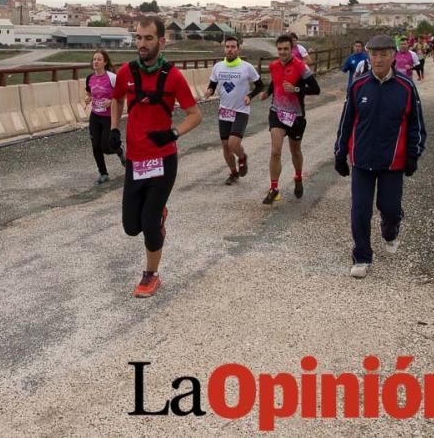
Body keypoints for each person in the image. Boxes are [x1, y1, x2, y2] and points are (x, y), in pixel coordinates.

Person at [109, 17, 202, 298]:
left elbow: (196, 115)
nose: (142, 44)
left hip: (163, 160)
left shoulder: (172, 76)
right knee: (130, 227)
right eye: (138, 38)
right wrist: (114, 128)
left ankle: (151, 275)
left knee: (148, 224)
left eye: (148, 38)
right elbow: (117, 99)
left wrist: (173, 134)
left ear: (162, 41)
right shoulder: (126, 72)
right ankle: (158, 215)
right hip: (136, 161)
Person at [333, 35, 426, 279]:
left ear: (394, 56)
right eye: (374, 54)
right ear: (368, 56)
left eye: (384, 54)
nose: (379, 59)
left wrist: (413, 154)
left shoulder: (406, 87)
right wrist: (340, 153)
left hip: (392, 162)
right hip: (362, 160)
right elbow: (346, 121)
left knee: (390, 208)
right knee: (360, 210)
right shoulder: (358, 85)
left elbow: (416, 123)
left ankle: (390, 229)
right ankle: (362, 256)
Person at [257, 34, 321, 204]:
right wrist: (267, 92)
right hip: (277, 112)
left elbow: (316, 89)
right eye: (279, 49)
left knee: (295, 151)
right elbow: (275, 82)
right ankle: (274, 189)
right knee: (275, 151)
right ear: (276, 49)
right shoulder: (274, 65)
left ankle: (298, 177)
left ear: (291, 49)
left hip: (296, 115)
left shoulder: (301, 67)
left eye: (286, 49)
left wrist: (297, 89)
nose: (282, 52)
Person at [204, 36, 263, 185]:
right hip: (224, 110)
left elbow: (260, 85)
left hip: (241, 110)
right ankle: (233, 172)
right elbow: (212, 83)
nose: (230, 49)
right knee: (225, 145)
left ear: (238, 49)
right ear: (224, 49)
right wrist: (209, 91)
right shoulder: (218, 66)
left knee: (233, 143)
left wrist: (250, 96)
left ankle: (242, 157)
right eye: (227, 47)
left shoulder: (246, 67)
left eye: (233, 47)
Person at [85, 50, 126, 185]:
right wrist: (88, 98)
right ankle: (103, 173)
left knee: (106, 146)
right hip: (95, 115)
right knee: (95, 145)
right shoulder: (90, 78)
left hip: (109, 116)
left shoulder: (112, 77)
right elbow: (89, 93)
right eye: (94, 59)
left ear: (105, 62)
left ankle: (119, 149)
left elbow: (121, 95)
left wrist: (111, 101)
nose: (95, 62)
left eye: (99, 59)